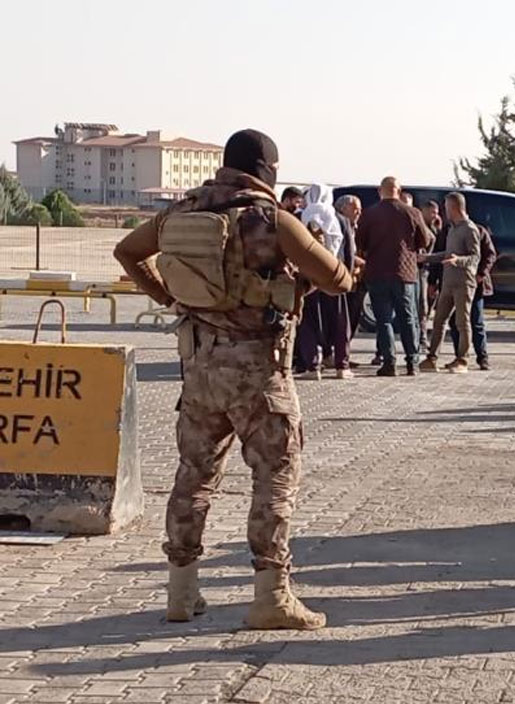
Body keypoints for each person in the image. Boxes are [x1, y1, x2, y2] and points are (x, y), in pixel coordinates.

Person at [113, 128, 352, 630]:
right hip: (260, 377)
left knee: (193, 477)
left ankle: (181, 593)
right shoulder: (272, 221)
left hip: (200, 371)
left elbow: (127, 252)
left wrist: (168, 297)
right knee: (275, 478)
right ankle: (272, 597)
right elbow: (337, 280)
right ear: (267, 171)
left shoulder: (180, 213)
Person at [355, 176, 433, 377]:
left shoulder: (370, 214)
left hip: (377, 272)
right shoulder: (412, 212)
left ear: (380, 190)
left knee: (383, 320)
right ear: (399, 190)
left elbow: (360, 242)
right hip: (404, 273)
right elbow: (424, 240)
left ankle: (389, 362)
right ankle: (412, 362)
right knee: (408, 318)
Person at [296, 184, 354, 380]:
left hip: (308, 276)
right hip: (333, 274)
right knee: (340, 321)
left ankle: (312, 367)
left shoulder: (300, 217)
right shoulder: (340, 219)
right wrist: (347, 275)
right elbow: (349, 251)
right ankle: (342, 366)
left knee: (308, 321)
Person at [422, 192, 482, 373]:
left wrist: (459, 260)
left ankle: (463, 360)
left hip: (464, 282)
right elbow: (447, 254)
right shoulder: (452, 229)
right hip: (448, 281)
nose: (444, 212)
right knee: (439, 320)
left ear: (454, 208)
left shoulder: (470, 229)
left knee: (462, 322)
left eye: (446, 208)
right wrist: (427, 258)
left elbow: (475, 257)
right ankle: (432, 358)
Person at [448, 221, 497, 371]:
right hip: (456, 282)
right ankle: (460, 356)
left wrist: (481, 274)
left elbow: (490, 255)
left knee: (476, 321)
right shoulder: (451, 231)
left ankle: (482, 357)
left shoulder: (479, 231)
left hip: (475, 284)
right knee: (455, 321)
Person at [336, 195, 366, 344]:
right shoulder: (337, 224)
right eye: (355, 209)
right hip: (342, 276)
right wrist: (358, 261)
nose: (359, 213)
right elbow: (339, 251)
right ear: (343, 209)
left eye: (360, 210)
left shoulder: (357, 227)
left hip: (356, 278)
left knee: (354, 314)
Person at [417, 200, 445, 351]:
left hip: (432, 272)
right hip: (421, 271)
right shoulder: (420, 227)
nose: (435, 216)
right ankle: (421, 338)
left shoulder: (436, 229)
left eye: (437, 212)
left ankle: (422, 336)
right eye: (432, 212)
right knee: (422, 306)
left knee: (428, 307)